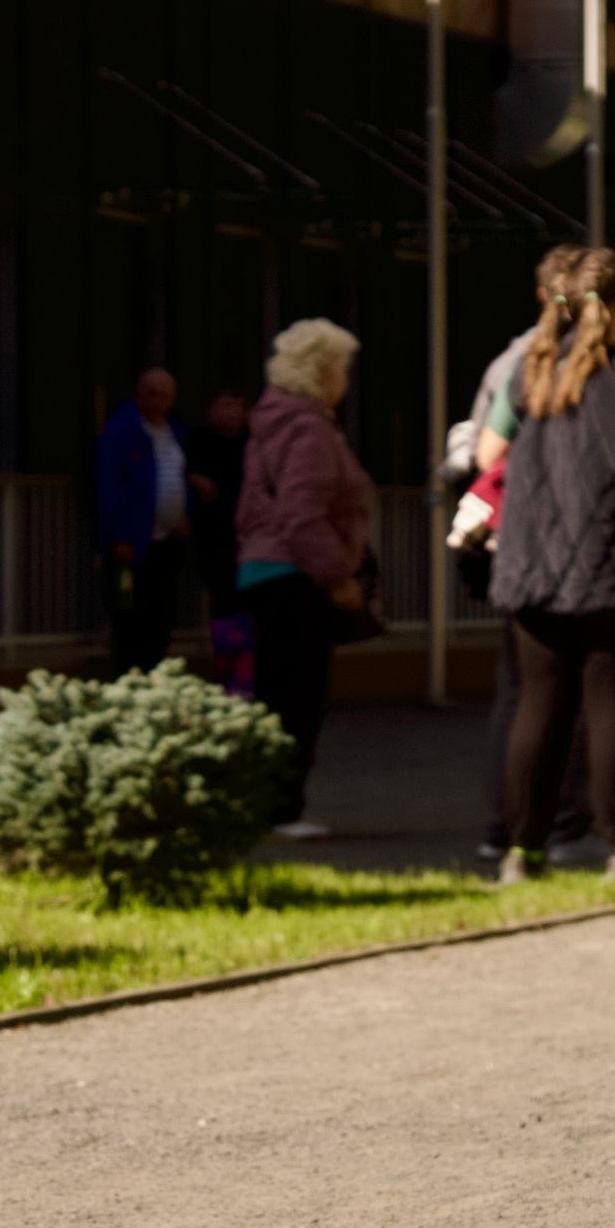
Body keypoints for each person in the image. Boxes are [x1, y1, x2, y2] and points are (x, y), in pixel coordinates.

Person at [474, 247, 615, 889]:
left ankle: (522, 851)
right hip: (609, 567)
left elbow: (487, 452)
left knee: (538, 707)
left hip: (528, 566)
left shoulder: (528, 372)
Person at [452, 243, 596, 864]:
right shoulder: (602, 367)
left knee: (523, 692)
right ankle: (562, 825)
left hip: (518, 547)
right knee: (582, 693)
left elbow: (480, 449)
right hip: (584, 548)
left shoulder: (514, 362)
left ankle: (505, 827)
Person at [235, 320, 373, 839]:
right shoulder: (308, 428)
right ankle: (281, 811)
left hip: (263, 571)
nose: (346, 379)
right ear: (322, 370)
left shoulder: (271, 421)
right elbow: (302, 513)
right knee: (297, 698)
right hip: (296, 577)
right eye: (342, 368)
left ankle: (270, 806)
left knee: (275, 693)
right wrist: (338, 575)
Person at [94, 368, 193, 673]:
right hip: (130, 545)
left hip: (166, 542)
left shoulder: (176, 432)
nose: (157, 401)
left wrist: (184, 513)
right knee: (127, 613)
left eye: (164, 395)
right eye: (151, 393)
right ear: (138, 394)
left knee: (161, 613)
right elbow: (107, 486)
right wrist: (118, 535)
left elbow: (181, 476)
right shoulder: (121, 431)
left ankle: (154, 672)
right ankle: (126, 674)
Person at [187, 389, 253, 693]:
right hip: (214, 540)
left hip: (252, 540)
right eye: (226, 405)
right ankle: (228, 674)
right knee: (224, 605)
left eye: (239, 406)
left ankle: (244, 675)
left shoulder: (253, 444)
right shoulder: (196, 442)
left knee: (249, 606)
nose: (233, 413)